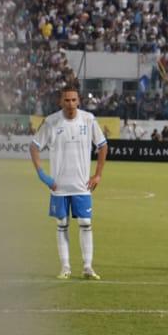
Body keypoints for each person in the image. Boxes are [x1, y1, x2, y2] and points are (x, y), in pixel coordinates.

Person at [29, 85, 108, 279]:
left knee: (85, 222)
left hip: (82, 185)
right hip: (59, 186)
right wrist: (42, 174)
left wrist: (97, 175)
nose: (70, 104)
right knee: (62, 224)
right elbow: (34, 146)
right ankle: (65, 268)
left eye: (73, 100)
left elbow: (103, 145)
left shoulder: (88, 119)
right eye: (66, 100)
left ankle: (88, 267)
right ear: (60, 101)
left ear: (79, 101)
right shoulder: (51, 122)